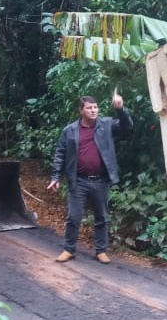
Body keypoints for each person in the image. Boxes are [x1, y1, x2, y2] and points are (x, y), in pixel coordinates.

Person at [47, 91, 133, 264]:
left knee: (102, 217)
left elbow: (127, 126)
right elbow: (60, 154)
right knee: (74, 217)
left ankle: (100, 251)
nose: (93, 110)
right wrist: (55, 176)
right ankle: (69, 250)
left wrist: (120, 109)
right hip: (78, 181)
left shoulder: (106, 124)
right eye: (89, 108)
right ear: (81, 110)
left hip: (100, 180)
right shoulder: (70, 130)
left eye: (95, 107)